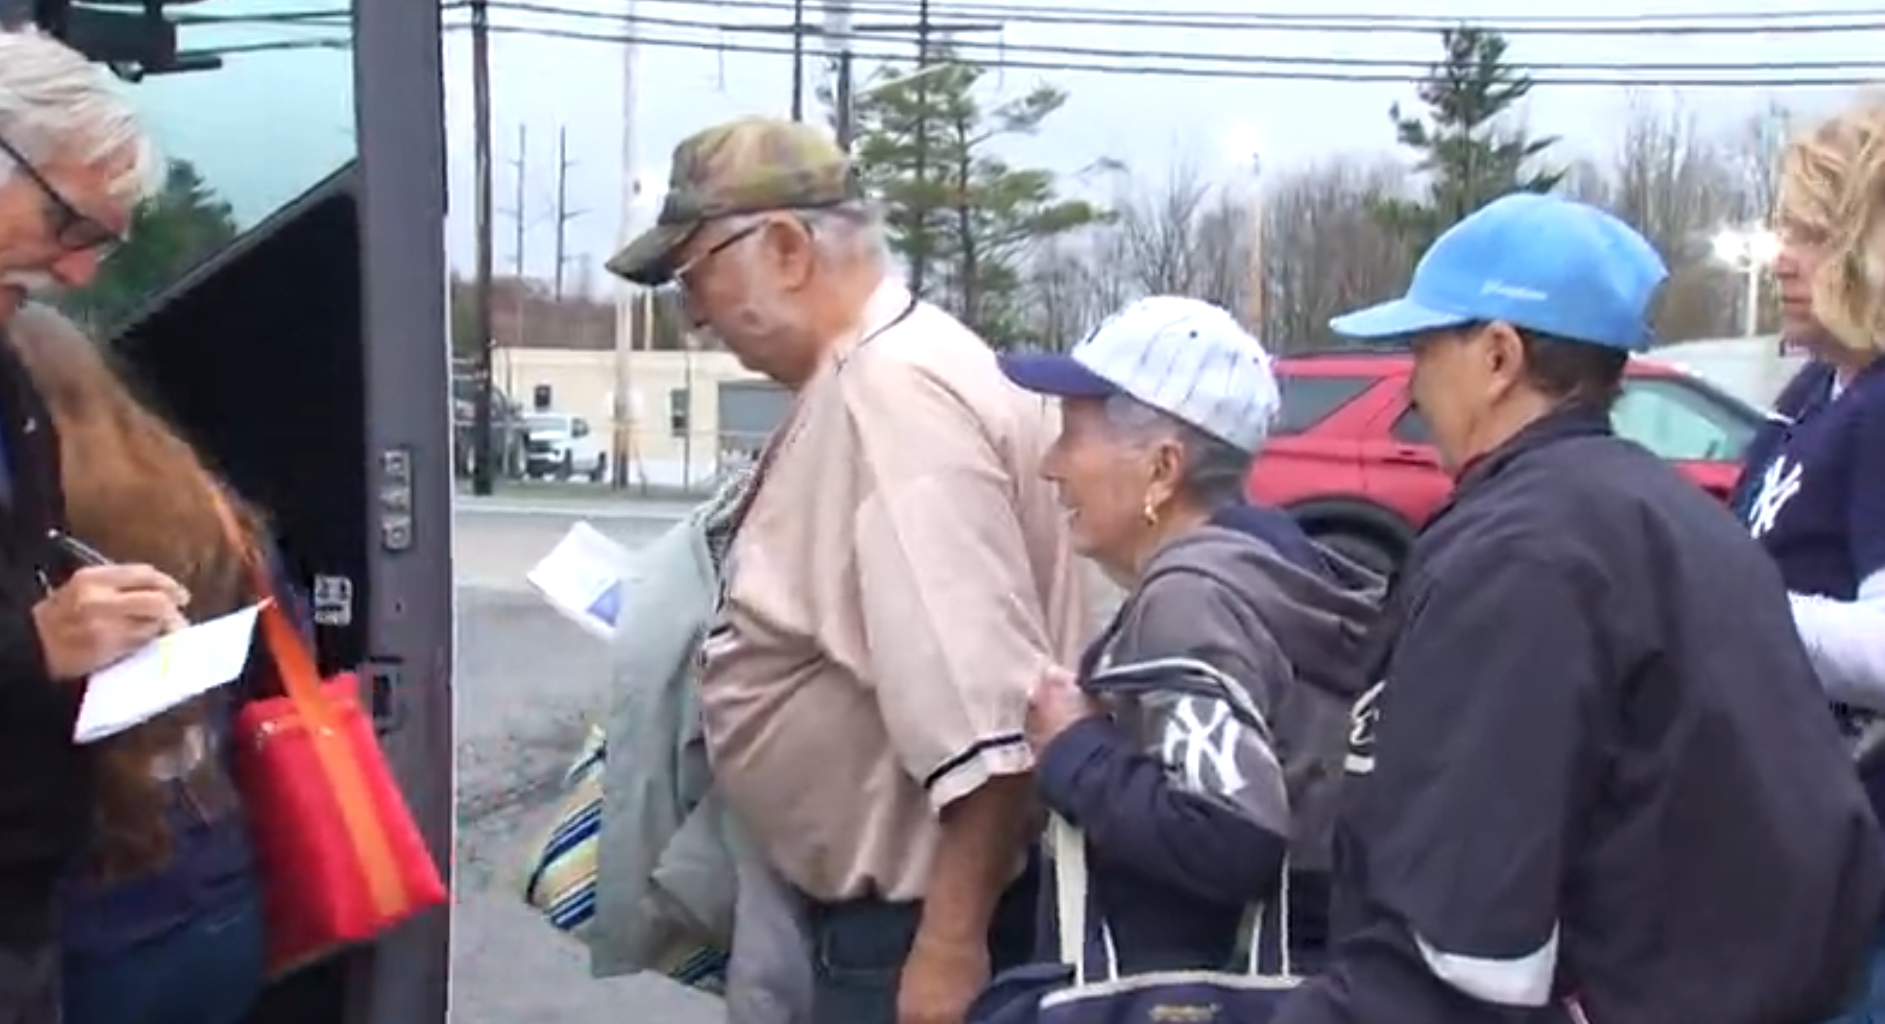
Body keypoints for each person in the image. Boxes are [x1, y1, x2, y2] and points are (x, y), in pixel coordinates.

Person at [1272, 192, 1885, 1024]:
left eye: (1422, 346)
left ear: (1497, 355)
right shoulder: (1663, 511)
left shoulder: (1522, 555)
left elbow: (1463, 957)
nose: (1411, 385)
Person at [606, 115, 1089, 1024]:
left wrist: (948, 950)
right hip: (884, 921)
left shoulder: (890, 393)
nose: (698, 316)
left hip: (905, 936)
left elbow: (988, 726)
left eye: (695, 276)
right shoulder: (899, 362)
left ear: (785, 248)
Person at [997, 296, 1378, 975]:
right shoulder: (1273, 555)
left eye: (1072, 435)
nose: (1050, 464)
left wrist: (1073, 747)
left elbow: (1232, 836)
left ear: (1163, 468)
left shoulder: (1189, 599)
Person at [5, 305, 283, 1024]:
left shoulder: (33, 544)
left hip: (89, 915)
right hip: (224, 892)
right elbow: (283, 646)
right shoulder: (206, 501)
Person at [0, 30, 190, 1024]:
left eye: (98, 244)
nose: (77, 276)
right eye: (66, 222)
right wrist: (33, 642)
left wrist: (98, 624)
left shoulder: (15, 371)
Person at [1735, 102, 1885, 1024]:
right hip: (1792, 861)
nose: (1780, 256)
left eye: (1812, 233)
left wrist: (1733, 608)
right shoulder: (1814, 394)